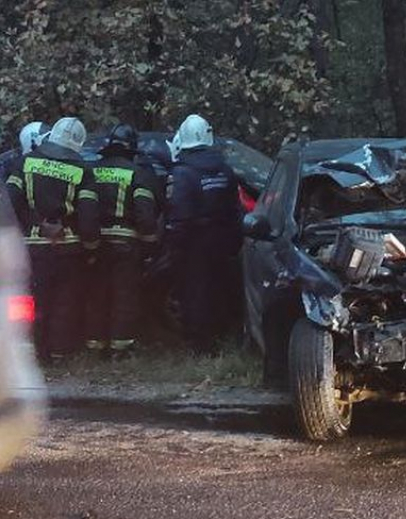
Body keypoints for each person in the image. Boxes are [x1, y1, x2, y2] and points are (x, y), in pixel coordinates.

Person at [4, 117, 100, 360]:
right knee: (64, 303)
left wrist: (32, 225)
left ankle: (28, 352)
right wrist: (91, 247)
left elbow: (10, 204)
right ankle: (58, 354)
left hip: (32, 247)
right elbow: (88, 215)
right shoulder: (82, 170)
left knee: (28, 301)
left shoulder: (24, 163)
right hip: (67, 249)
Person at [165, 114, 240, 352]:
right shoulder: (225, 170)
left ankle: (198, 344)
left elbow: (180, 214)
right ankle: (219, 337)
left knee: (193, 291)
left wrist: (173, 244)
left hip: (193, 243)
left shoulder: (183, 173)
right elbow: (233, 209)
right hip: (220, 240)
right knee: (217, 288)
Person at [85, 123, 159, 356]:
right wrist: (150, 243)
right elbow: (145, 214)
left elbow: (84, 208)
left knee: (97, 293)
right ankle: (121, 348)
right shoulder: (137, 174)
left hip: (96, 242)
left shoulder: (92, 171)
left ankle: (95, 346)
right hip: (126, 243)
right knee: (124, 295)